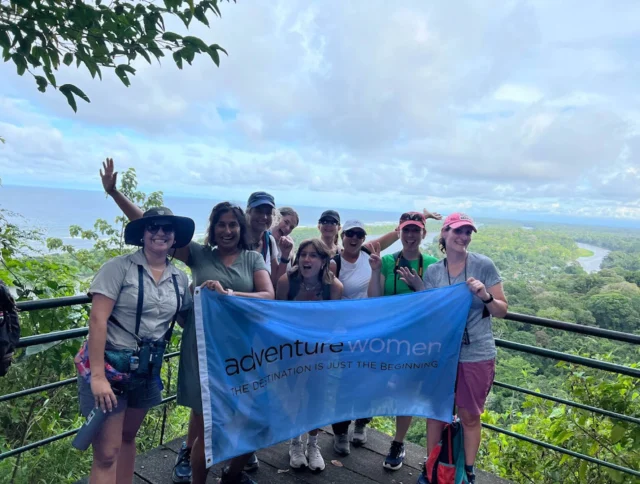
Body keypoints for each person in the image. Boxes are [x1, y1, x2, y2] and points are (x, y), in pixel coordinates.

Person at [99, 159, 274, 484]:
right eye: (220, 224)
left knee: (240, 415)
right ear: (213, 228)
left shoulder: (253, 258)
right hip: (202, 346)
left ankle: (231, 473)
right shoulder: (198, 255)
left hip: (242, 349)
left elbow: (268, 297)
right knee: (204, 415)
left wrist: (229, 294)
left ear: (241, 228)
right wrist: (114, 193)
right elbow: (154, 229)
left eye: (232, 224)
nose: (226, 230)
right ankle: (195, 472)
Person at [76, 206, 193, 483]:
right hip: (111, 367)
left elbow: (186, 320)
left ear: (175, 237)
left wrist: (214, 296)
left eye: (167, 228)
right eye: (153, 227)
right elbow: (97, 320)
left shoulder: (179, 278)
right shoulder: (118, 268)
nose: (160, 233)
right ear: (143, 233)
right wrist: (98, 377)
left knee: (128, 439)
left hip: (147, 369)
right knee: (106, 452)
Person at [402, 213, 508, 484]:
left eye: (468, 232)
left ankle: (467, 472)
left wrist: (485, 295)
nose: (463, 237)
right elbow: (434, 310)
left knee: (470, 416)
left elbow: (501, 311)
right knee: (436, 412)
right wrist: (419, 288)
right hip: (443, 353)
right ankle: (432, 469)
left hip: (476, 353)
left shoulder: (483, 265)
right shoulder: (435, 270)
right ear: (444, 234)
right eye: (458, 231)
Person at [367, 211, 439, 471]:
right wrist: (375, 272)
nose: (410, 236)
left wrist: (420, 287)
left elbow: (435, 306)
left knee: (406, 390)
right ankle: (357, 427)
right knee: (373, 383)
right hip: (387, 337)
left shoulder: (432, 264)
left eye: (415, 230)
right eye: (406, 230)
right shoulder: (387, 261)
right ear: (399, 232)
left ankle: (397, 443)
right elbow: (374, 299)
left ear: (423, 234)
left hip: (415, 341)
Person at [276, 239, 343, 472]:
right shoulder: (287, 283)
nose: (307, 259)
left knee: (316, 399)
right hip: (290, 352)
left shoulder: (334, 288)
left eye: (313, 255)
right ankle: (295, 443)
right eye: (303, 254)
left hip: (320, 353)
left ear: (324, 261)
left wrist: (314, 352)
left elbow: (332, 327)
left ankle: (313, 445)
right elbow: (277, 319)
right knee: (294, 398)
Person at [327, 220, 376, 456]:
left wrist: (423, 215)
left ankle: (361, 423)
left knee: (368, 378)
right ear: (342, 235)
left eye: (359, 234)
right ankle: (340, 430)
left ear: (364, 238)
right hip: (345, 332)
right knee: (346, 381)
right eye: (350, 234)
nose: (354, 238)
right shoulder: (334, 262)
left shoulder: (369, 255)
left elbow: (395, 235)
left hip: (369, 329)